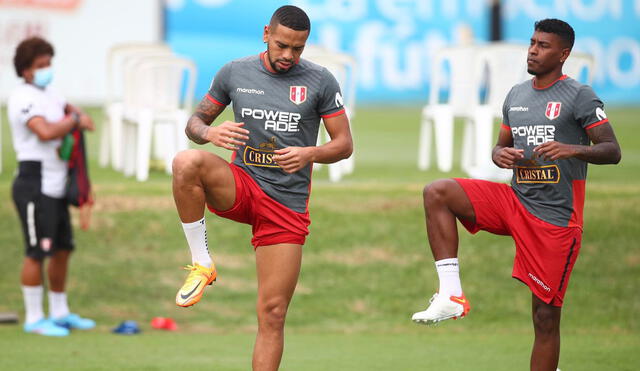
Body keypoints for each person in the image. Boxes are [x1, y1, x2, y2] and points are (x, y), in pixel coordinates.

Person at [411, 19, 621, 371]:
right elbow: (501, 147)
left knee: (544, 317)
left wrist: (572, 150)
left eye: (543, 45)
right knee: (438, 192)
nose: (533, 50)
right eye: (532, 42)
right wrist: (498, 155)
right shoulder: (517, 95)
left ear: (563, 54)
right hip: (515, 200)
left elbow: (612, 150)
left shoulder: (580, 96)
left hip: (554, 219)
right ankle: (451, 294)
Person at [172, 5, 352, 370]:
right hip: (241, 186)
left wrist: (310, 153)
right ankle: (201, 263)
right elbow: (194, 122)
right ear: (266, 33)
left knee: (272, 313)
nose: (288, 55)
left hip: (286, 206)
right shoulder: (234, 72)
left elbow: (344, 144)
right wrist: (210, 132)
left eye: (297, 49)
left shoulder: (320, 81)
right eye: (282, 45)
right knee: (186, 162)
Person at [8, 37, 96, 336]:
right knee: (37, 251)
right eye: (41, 66)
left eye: (49, 64)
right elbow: (44, 131)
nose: (47, 70)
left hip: (58, 183)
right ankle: (34, 317)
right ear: (26, 70)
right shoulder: (22, 97)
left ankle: (60, 312)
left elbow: (81, 116)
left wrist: (76, 117)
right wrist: (73, 120)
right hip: (33, 184)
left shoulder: (53, 94)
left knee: (62, 249)